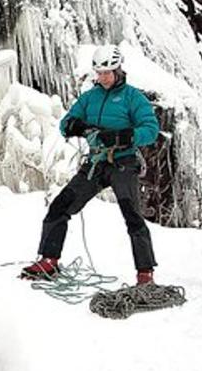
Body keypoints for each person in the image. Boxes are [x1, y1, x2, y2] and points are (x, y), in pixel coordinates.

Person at [21, 44, 160, 284]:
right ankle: (49, 261)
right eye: (100, 73)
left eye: (108, 73)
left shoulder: (132, 97)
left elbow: (150, 130)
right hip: (95, 163)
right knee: (59, 207)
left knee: (133, 217)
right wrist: (80, 127)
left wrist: (121, 137)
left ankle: (145, 273)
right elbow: (66, 124)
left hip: (123, 162)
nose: (104, 78)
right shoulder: (89, 98)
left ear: (118, 71)